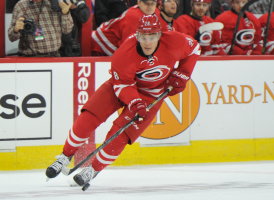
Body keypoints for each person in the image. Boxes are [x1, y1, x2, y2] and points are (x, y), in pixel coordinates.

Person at [45, 14, 201, 190]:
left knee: (121, 136)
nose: (147, 42)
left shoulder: (175, 41)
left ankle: (93, 170)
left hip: (152, 94)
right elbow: (123, 86)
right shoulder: (124, 54)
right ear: (137, 35)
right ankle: (65, 156)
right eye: (143, 37)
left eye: (152, 37)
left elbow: (195, 48)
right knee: (88, 118)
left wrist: (184, 72)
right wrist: (135, 102)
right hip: (120, 87)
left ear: (160, 35)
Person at [91, 0, 167, 56]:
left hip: (120, 40)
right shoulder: (132, 16)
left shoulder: (157, 14)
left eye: (152, 3)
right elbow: (127, 47)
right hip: (101, 42)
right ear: (139, 2)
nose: (149, 6)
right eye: (146, 3)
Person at [8, 0, 73, 57]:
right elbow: (11, 37)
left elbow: (67, 30)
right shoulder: (21, 5)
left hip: (54, 56)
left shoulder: (57, 4)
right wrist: (15, 29)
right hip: (31, 58)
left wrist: (66, 13)